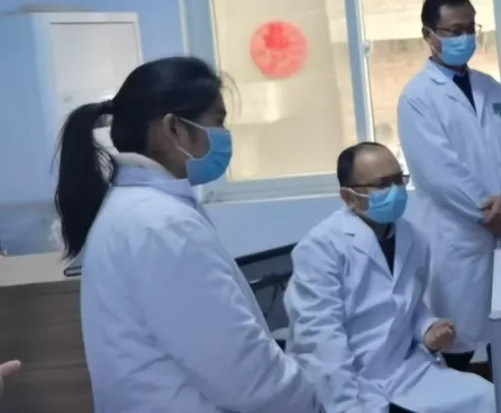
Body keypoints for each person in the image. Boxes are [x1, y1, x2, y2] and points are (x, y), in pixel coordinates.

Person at [54, 56, 320, 412]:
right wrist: (310, 399)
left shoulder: (140, 210)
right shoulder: (160, 224)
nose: (224, 135)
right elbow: (240, 371)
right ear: (174, 129)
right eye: (218, 121)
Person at [285, 142, 496, 413]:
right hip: (348, 379)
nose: (395, 191)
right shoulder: (320, 248)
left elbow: (409, 305)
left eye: (399, 180)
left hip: (406, 371)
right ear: (349, 197)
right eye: (383, 184)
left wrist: (427, 329)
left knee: (490, 398)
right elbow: (321, 342)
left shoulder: (413, 239)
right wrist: (347, 407)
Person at [398, 0, 501, 373]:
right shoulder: (417, 98)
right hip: (457, 238)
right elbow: (442, 175)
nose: (465, 38)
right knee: (456, 340)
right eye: (453, 31)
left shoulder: (491, 87)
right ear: (428, 35)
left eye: (470, 28)